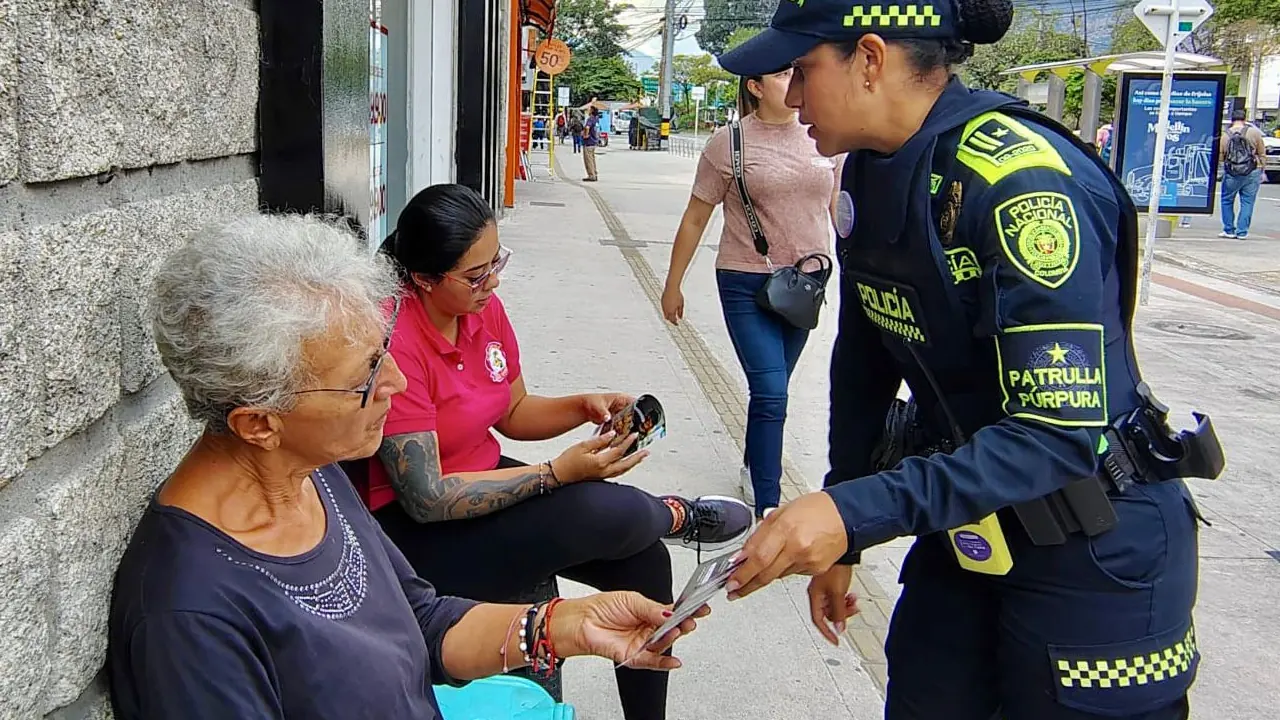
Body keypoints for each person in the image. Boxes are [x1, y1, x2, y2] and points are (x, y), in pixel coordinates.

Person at [717, 0, 1221, 718]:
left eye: (802, 71)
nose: (792, 97)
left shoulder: (1022, 185)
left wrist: (850, 512)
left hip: (1093, 553)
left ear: (869, 58)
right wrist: (845, 532)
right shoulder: (871, 169)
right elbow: (864, 364)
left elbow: (1057, 433)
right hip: (974, 527)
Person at [107, 214, 709, 719]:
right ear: (259, 421)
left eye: (382, 355)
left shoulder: (312, 477)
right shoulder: (187, 616)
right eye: (365, 377)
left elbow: (420, 619)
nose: (395, 382)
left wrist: (565, 626)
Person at [363, 183, 753, 720]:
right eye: (476, 275)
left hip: (486, 479)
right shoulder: (395, 338)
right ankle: (672, 513)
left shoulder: (482, 309)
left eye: (496, 261)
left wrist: (583, 405)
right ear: (425, 278)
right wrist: (555, 474)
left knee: (643, 559)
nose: (492, 281)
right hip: (418, 531)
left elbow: (513, 409)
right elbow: (427, 497)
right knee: (606, 510)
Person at [660, 68, 843, 518]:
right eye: (781, 75)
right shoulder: (730, 142)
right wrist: (672, 284)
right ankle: (768, 503)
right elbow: (696, 217)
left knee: (771, 391)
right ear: (756, 88)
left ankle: (751, 461)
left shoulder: (823, 133)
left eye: (796, 72)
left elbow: (839, 209)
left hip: (806, 284)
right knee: (771, 392)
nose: (793, 81)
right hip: (746, 281)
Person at [1219, 109, 1265, 239]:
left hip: (1232, 172)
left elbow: (1221, 155)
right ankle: (1242, 231)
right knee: (1247, 202)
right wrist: (1262, 169)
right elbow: (1262, 152)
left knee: (1227, 200)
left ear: (1232, 120)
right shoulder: (1254, 133)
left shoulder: (1225, 135)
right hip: (1252, 171)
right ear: (1245, 119)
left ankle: (1229, 230)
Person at [583, 107, 601, 181]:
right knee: (592, 159)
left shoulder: (590, 119)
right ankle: (594, 173)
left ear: (592, 110)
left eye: (589, 109)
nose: (588, 110)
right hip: (594, 141)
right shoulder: (596, 119)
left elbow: (587, 127)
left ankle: (591, 175)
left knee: (588, 160)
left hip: (589, 142)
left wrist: (586, 135)